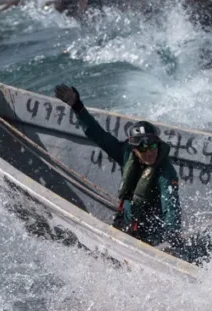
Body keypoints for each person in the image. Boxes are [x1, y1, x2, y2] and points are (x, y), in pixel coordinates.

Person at [54, 84, 184, 249]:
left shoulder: (166, 173)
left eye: (152, 146)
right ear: (134, 149)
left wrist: (170, 236)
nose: (149, 152)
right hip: (125, 223)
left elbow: (171, 206)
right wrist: (77, 106)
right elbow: (98, 135)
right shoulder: (126, 154)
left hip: (151, 235)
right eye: (142, 148)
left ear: (158, 144)